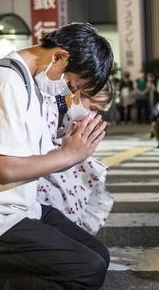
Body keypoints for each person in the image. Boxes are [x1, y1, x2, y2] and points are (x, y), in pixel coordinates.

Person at [0, 23, 113, 290]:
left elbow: (29, 156)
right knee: (87, 270)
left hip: (19, 208)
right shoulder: (5, 82)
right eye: (73, 84)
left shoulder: (29, 83)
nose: (70, 93)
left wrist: (70, 146)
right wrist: (69, 155)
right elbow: (6, 170)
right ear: (59, 56)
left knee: (98, 256)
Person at [38, 81, 114, 235]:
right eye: (92, 108)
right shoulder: (48, 103)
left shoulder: (63, 110)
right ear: (78, 92)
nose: (92, 115)